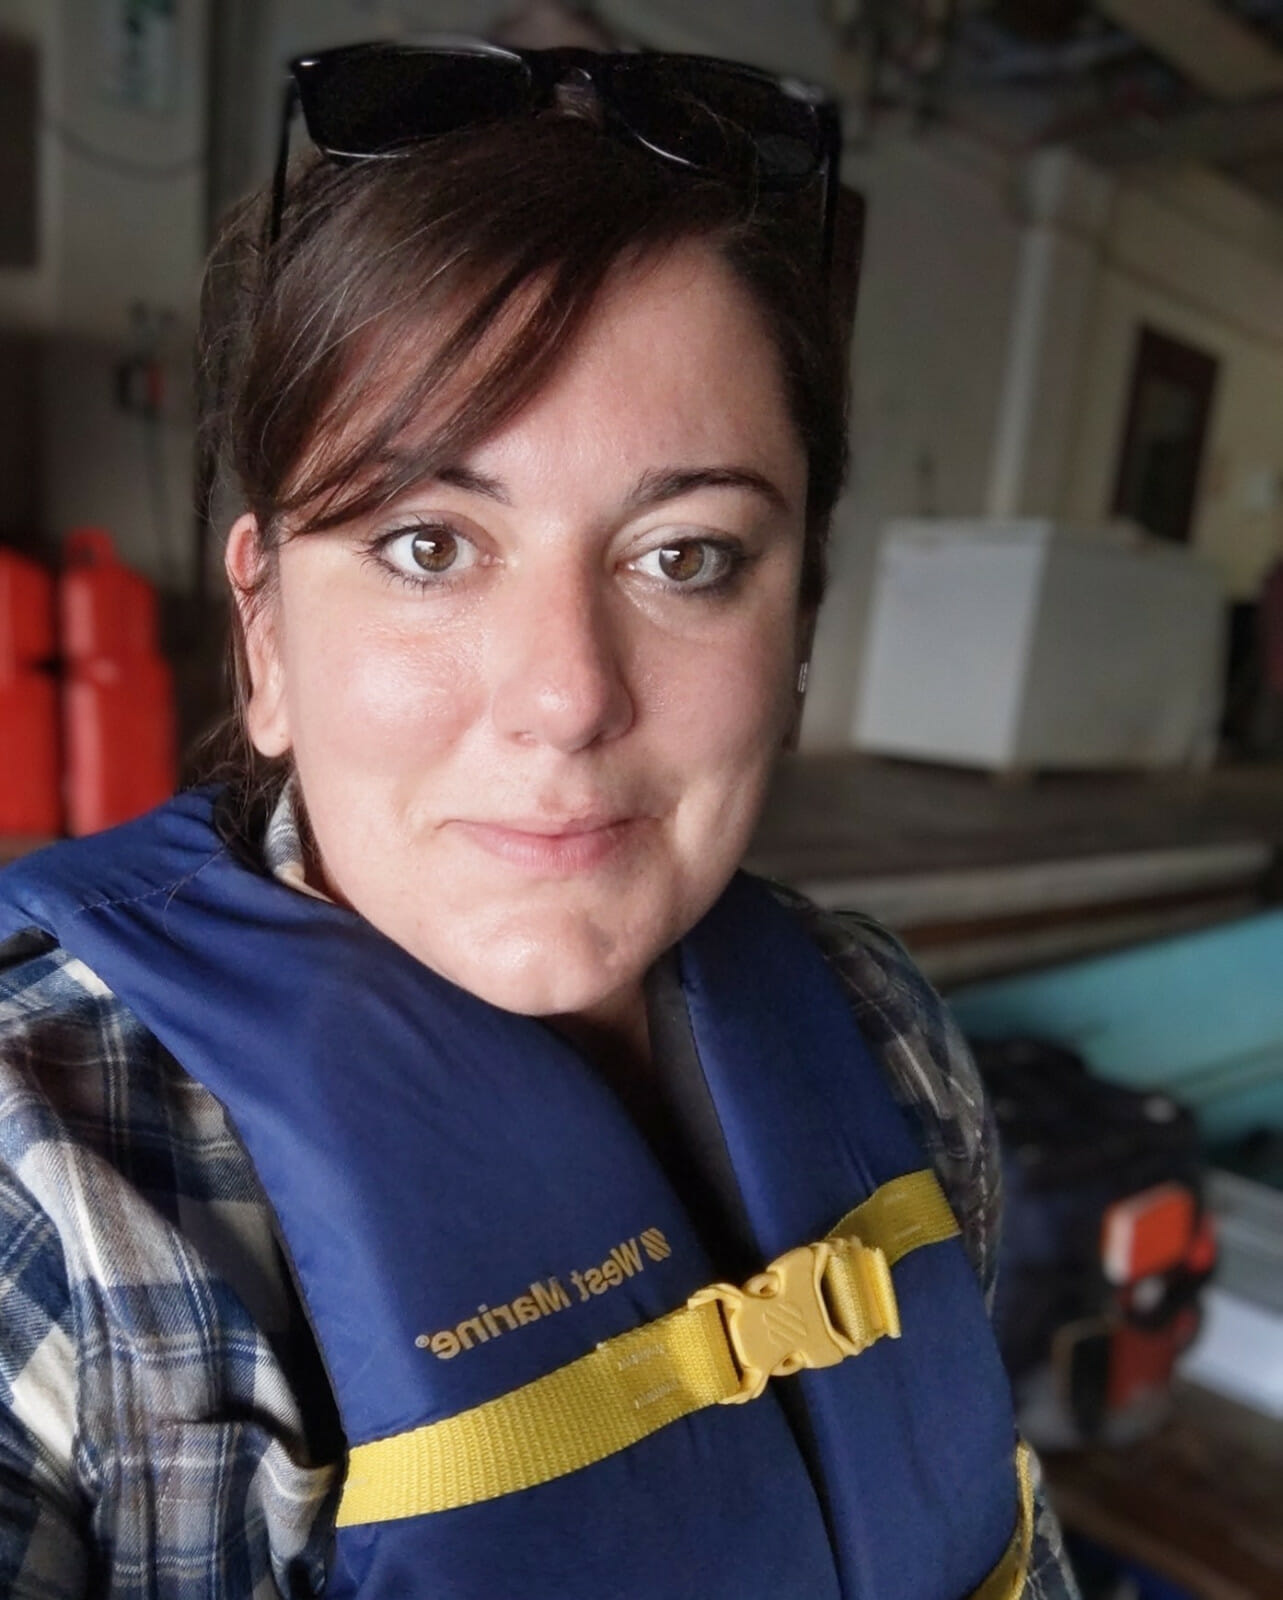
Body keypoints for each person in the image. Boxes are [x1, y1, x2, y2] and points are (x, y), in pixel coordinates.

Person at [0, 39, 1079, 1600]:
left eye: (687, 557)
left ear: (800, 639)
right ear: (265, 638)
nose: (566, 696)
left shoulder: (886, 1036)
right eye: (429, 545)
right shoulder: (54, 1179)